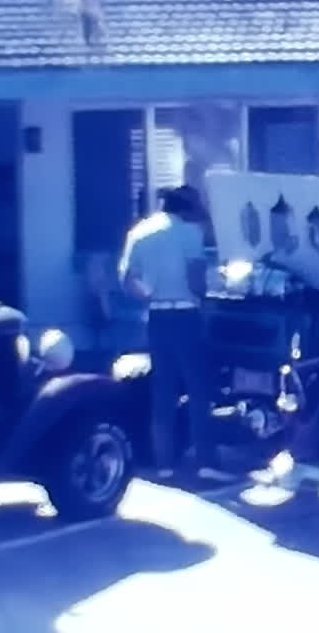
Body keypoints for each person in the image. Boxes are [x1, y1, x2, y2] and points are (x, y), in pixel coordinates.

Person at [118, 185, 232, 483]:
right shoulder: (189, 234)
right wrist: (206, 290)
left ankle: (165, 464)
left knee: (163, 390)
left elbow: (127, 278)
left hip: (156, 315)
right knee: (198, 388)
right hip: (185, 315)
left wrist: (149, 294)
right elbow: (196, 281)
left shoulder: (139, 232)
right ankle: (206, 461)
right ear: (185, 209)